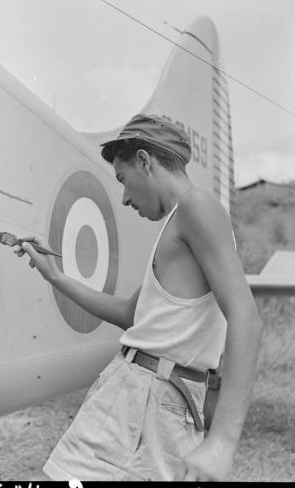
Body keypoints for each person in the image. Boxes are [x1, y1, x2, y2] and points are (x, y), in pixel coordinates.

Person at [14, 113, 263, 481]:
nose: (126, 197)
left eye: (123, 180)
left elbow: (246, 319)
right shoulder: (179, 222)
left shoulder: (197, 208)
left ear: (145, 161)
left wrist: (223, 441)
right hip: (139, 390)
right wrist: (54, 275)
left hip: (149, 396)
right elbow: (132, 315)